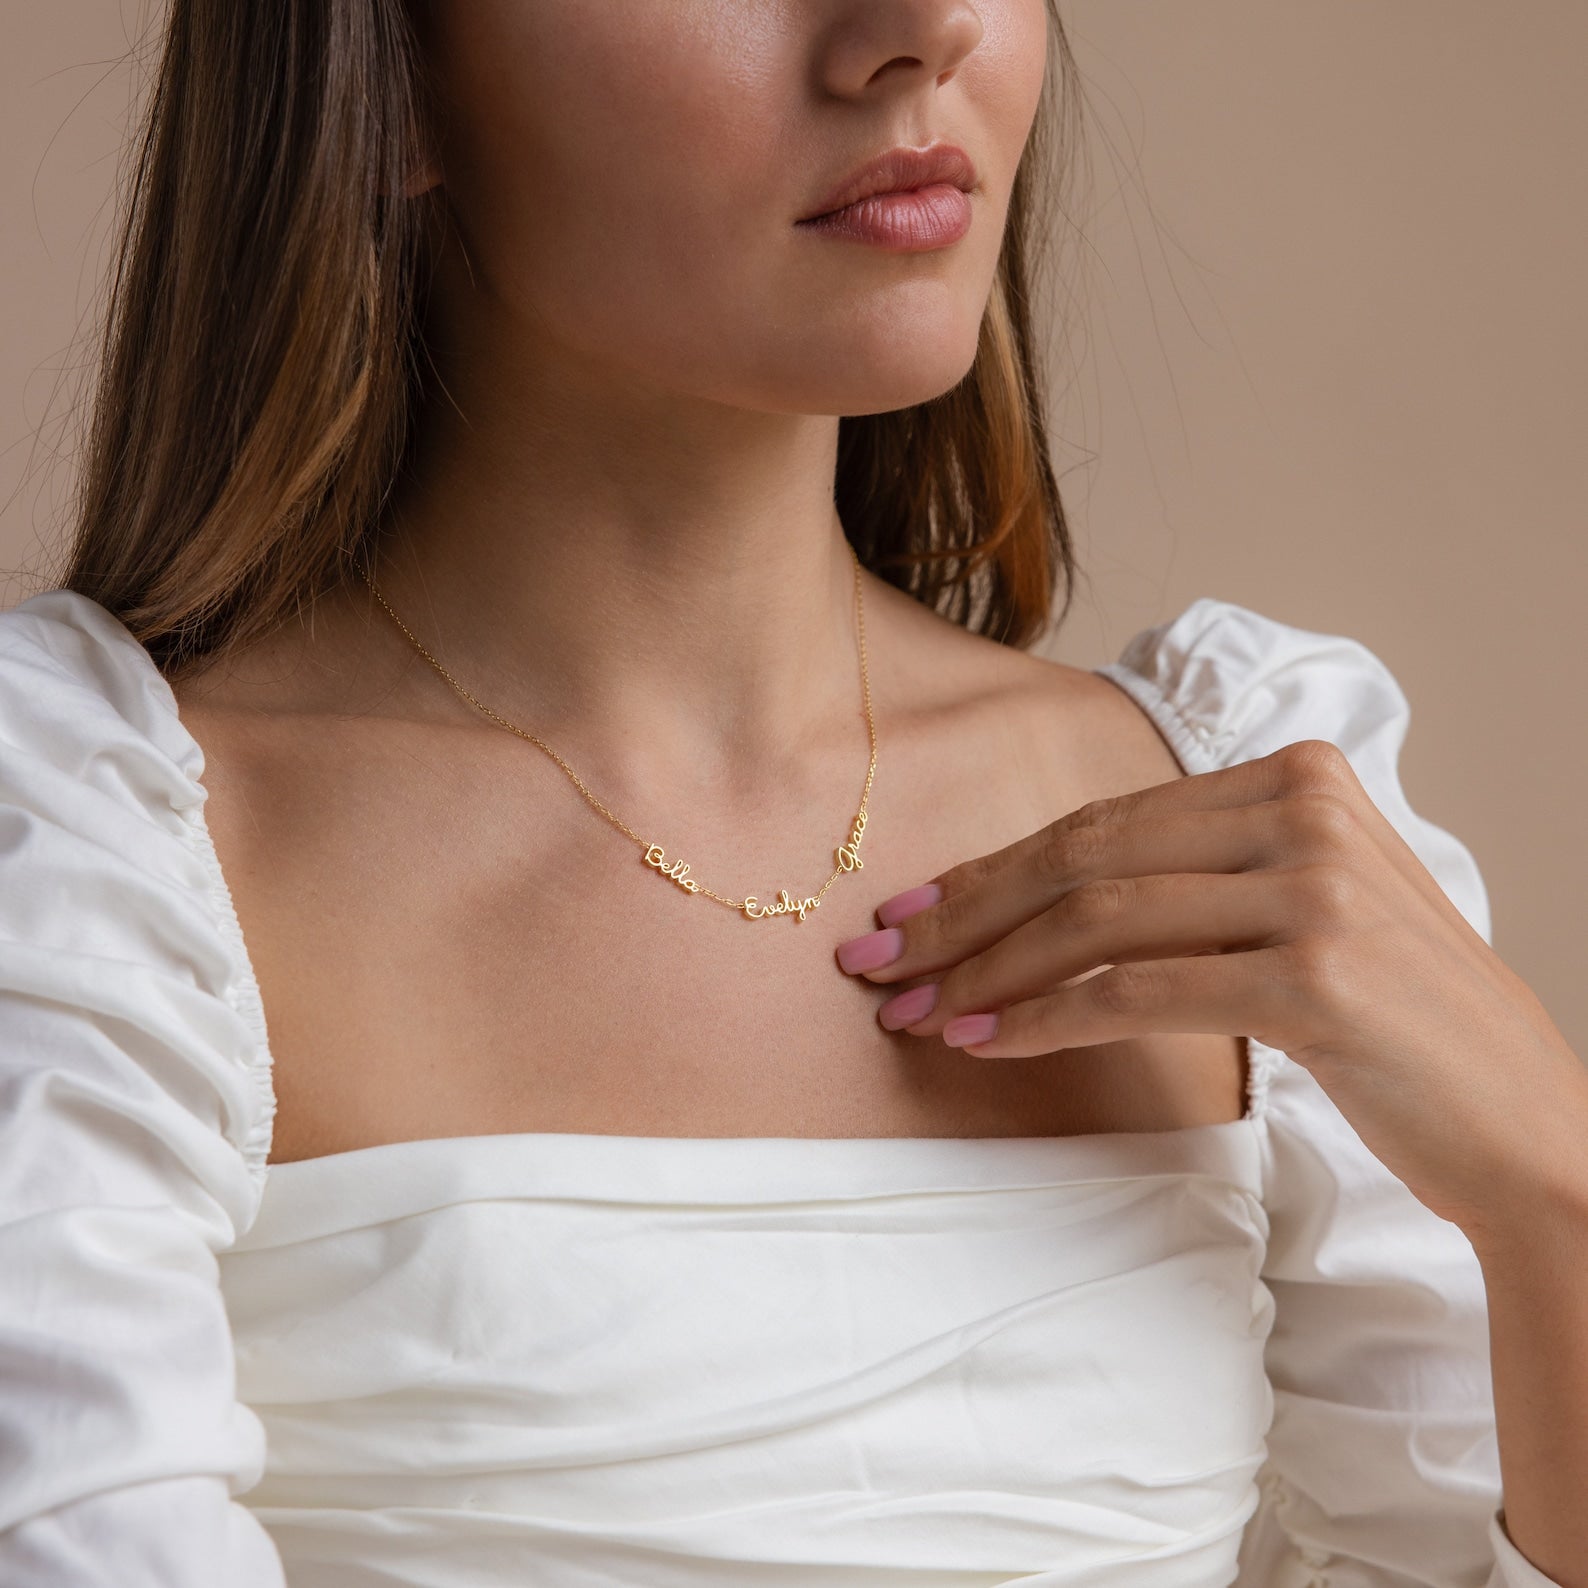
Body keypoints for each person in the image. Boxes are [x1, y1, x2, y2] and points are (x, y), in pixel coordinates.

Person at [0, 2, 1582, 1584]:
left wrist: (1552, 1203)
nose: (919, 28)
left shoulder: (1253, 817)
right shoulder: (87, 862)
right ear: (389, 74)